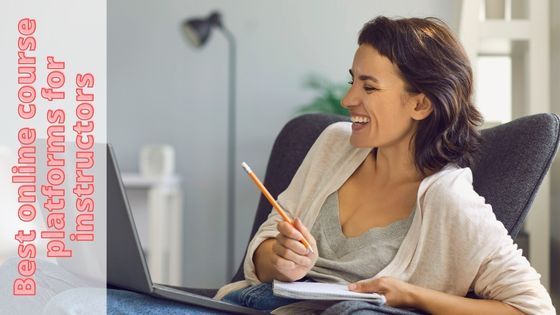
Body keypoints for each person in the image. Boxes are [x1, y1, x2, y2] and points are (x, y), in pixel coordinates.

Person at [215, 16, 556, 315]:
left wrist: (411, 295)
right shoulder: (334, 143)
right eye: (353, 81)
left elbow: (532, 307)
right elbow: (263, 248)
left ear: (420, 104)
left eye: (369, 86)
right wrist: (279, 259)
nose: (348, 100)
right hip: (253, 303)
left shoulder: (451, 201)